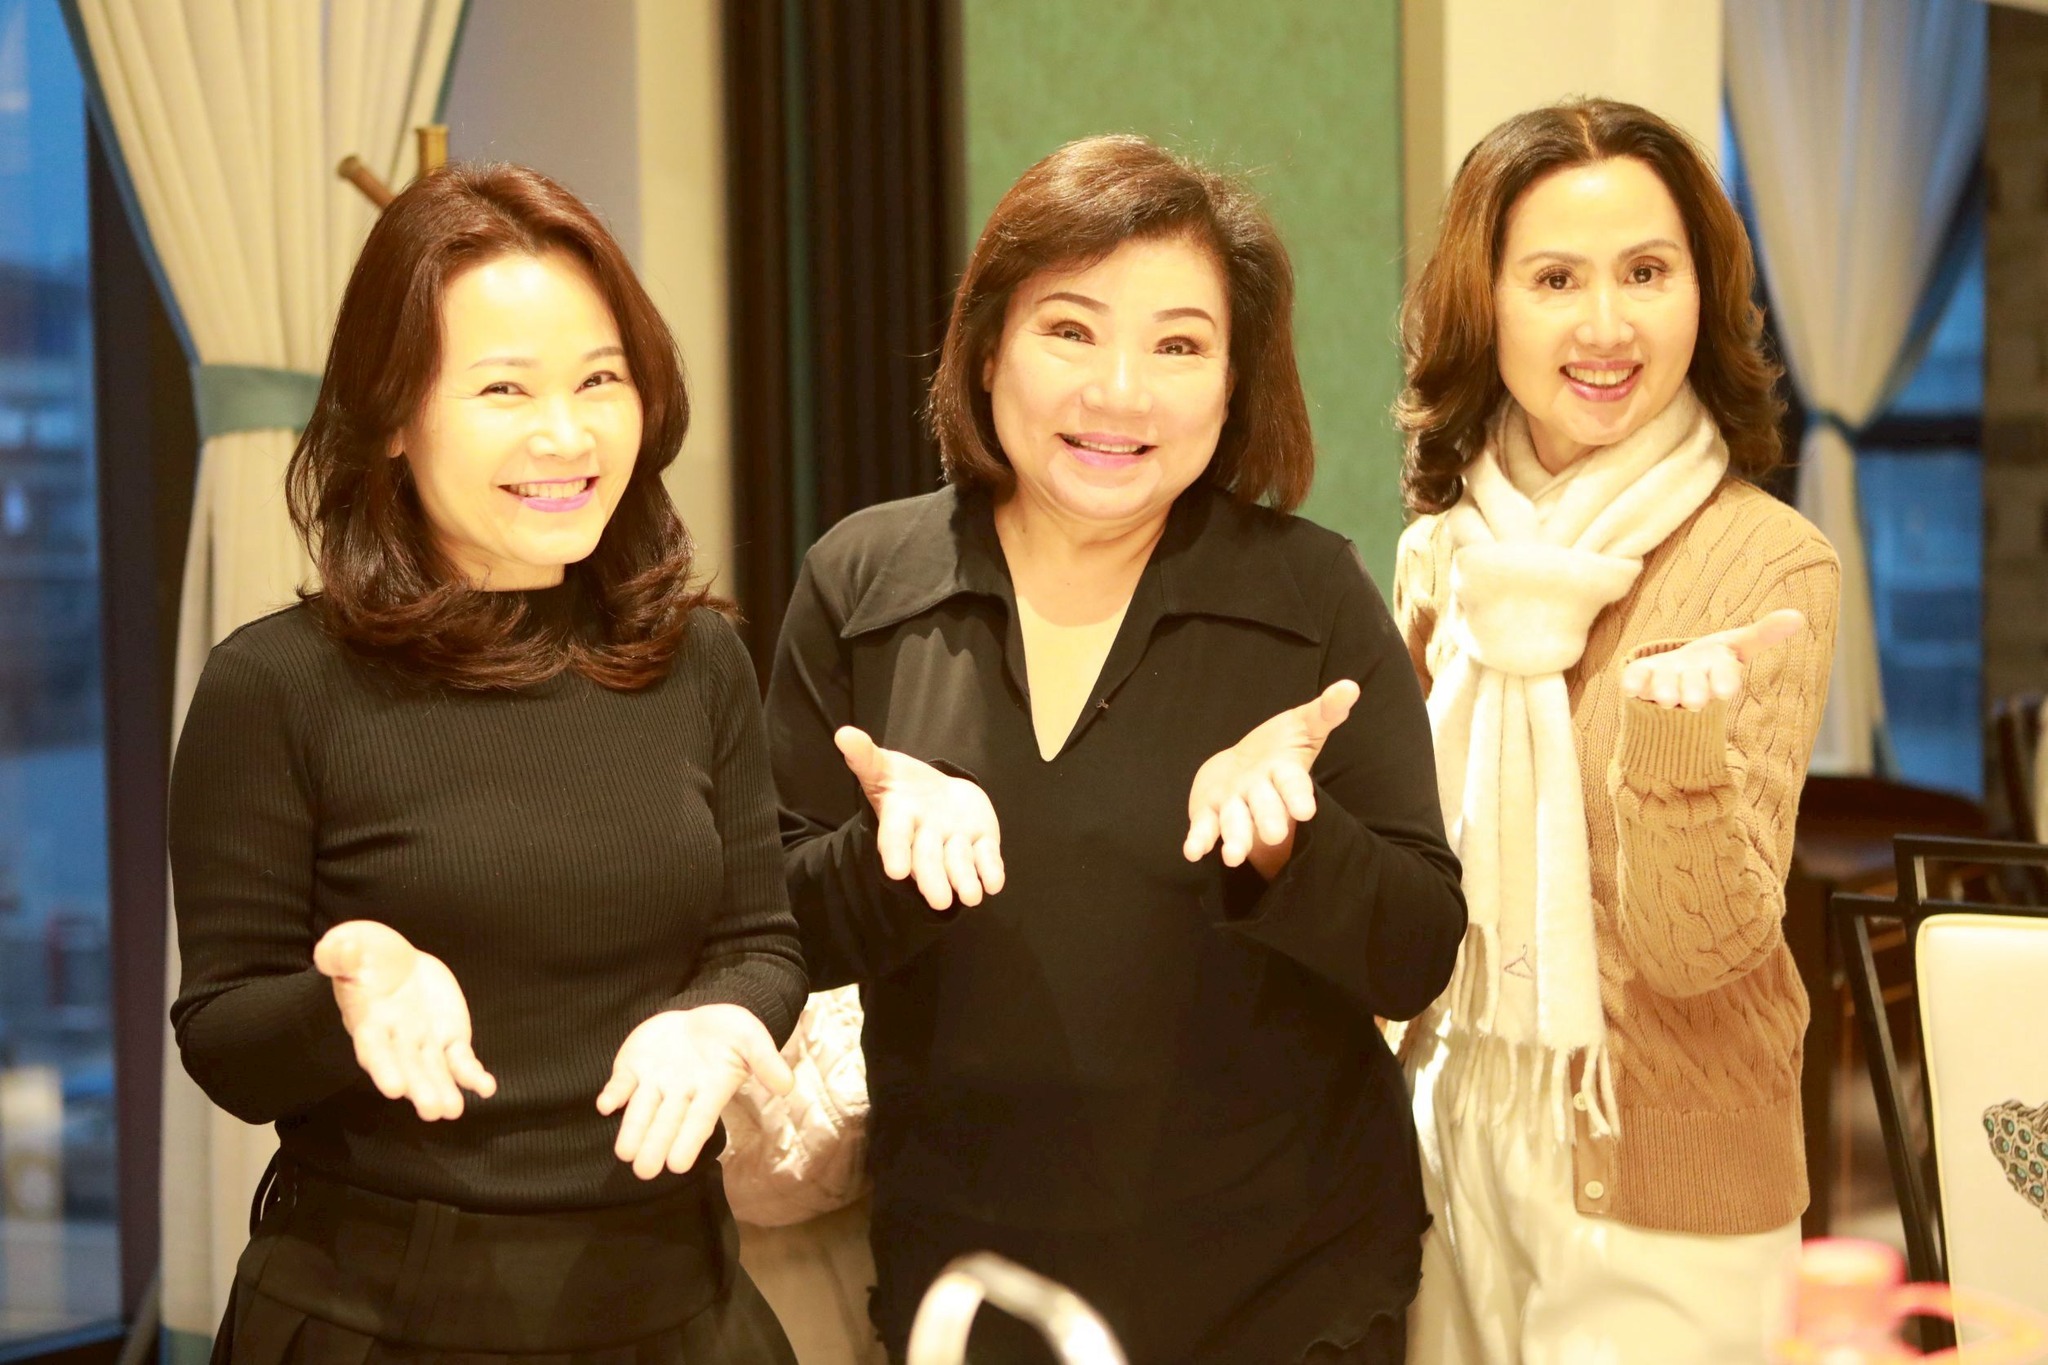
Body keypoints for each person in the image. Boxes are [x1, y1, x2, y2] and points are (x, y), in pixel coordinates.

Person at [766, 133, 1468, 1365]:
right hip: (973, 1288)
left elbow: (1415, 953)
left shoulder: (1308, 594)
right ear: (987, 348)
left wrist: (1293, 844)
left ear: (1234, 382)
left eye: (1179, 345)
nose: (1119, 393)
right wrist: (885, 856)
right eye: (1069, 330)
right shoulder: (862, 583)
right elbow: (772, 934)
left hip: (1285, 1294)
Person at [168, 163, 804, 1364]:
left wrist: (718, 1017)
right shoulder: (279, 684)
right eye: (504, 388)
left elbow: (758, 938)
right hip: (382, 1314)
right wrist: (347, 997)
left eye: (599, 380)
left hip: (680, 1304)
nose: (565, 434)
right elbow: (224, 1037)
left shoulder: (697, 657)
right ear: (392, 418)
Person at [1391, 99, 1841, 1364]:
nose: (1605, 326)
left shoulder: (1769, 564)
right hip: (1447, 1138)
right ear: (1485, 304)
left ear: (1704, 293)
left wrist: (1675, 749)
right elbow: (1409, 875)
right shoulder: (1442, 556)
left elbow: (1700, 956)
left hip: (1658, 1189)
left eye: (1646, 272)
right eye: (1554, 279)